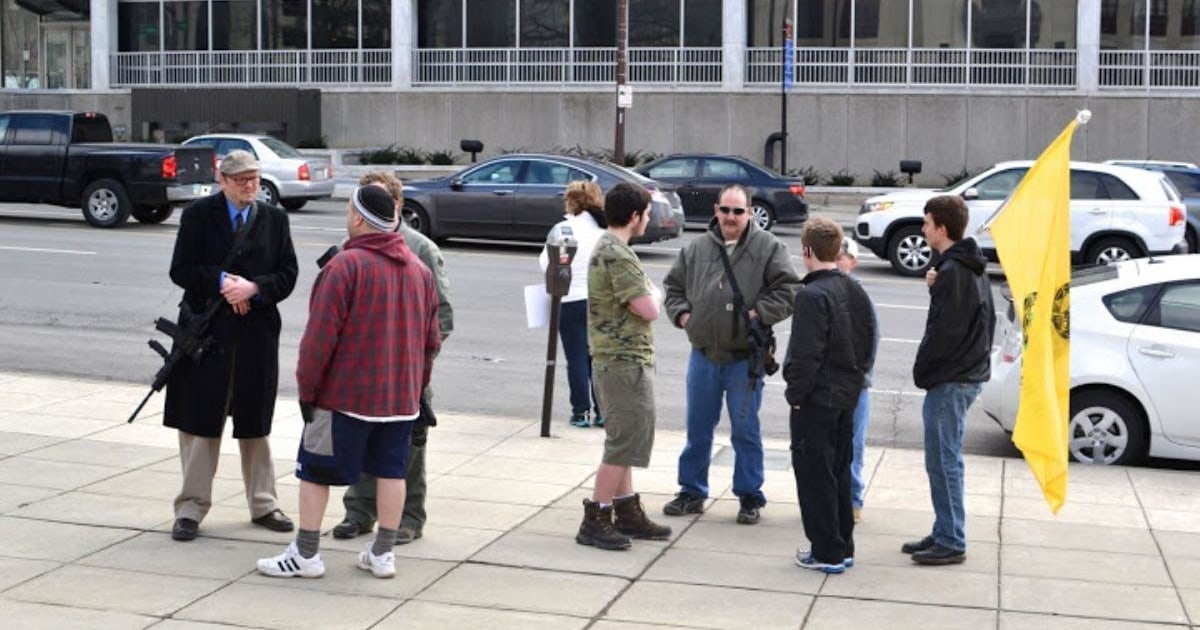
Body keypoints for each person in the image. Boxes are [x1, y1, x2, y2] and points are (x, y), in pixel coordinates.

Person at [256, 184, 440, 579]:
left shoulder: (344, 267)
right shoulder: (419, 272)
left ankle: (306, 554)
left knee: (315, 472)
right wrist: (417, 389)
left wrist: (308, 391)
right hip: (400, 399)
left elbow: (319, 340)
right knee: (393, 473)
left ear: (357, 218)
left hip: (344, 398)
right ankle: (383, 554)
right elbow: (431, 341)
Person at [164, 149, 299, 542]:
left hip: (255, 334)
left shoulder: (274, 218)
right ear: (221, 180)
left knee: (255, 422)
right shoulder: (198, 216)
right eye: (240, 179)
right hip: (206, 337)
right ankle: (190, 508)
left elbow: (288, 274)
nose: (249, 185)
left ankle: (264, 503)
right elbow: (181, 270)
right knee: (200, 424)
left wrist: (254, 288)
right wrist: (224, 282)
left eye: (254, 177)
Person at [661, 184, 800, 525]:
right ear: (716, 209)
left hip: (744, 359)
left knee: (745, 431)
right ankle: (691, 491)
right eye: (725, 210)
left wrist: (759, 314)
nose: (731, 217)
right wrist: (683, 316)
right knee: (698, 428)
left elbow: (790, 289)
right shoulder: (697, 248)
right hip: (704, 354)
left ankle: (749, 495)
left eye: (738, 211)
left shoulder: (768, 247)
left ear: (750, 212)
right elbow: (673, 287)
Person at [331, 171, 454, 545]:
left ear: (397, 205)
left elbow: (442, 316)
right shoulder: (349, 246)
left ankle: (408, 517)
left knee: (407, 452)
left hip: (406, 372)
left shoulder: (421, 250)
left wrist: (417, 360)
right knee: (358, 442)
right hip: (362, 371)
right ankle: (358, 512)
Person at [576, 182, 672, 551]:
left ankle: (626, 510)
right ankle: (596, 518)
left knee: (626, 439)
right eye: (647, 214)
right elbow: (648, 308)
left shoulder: (612, 248)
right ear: (634, 217)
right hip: (622, 361)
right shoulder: (617, 253)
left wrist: (648, 293)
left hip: (619, 360)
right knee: (622, 442)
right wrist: (656, 293)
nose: (647, 220)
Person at [903, 195, 995, 566]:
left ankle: (951, 539)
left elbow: (944, 333)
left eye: (926, 224)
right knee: (943, 459)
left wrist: (923, 371)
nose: (923, 230)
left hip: (952, 380)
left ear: (941, 228)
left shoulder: (955, 273)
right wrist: (934, 283)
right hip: (963, 376)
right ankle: (945, 529)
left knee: (943, 461)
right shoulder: (962, 267)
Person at [783, 217, 877, 575]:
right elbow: (867, 343)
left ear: (806, 251)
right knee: (838, 472)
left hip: (817, 400)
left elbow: (807, 353)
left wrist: (795, 393)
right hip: (845, 398)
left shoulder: (811, 295)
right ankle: (842, 545)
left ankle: (826, 551)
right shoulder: (854, 290)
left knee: (815, 476)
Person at [538, 180, 606, 428]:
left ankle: (580, 411)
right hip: (598, 301)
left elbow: (547, 264)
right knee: (598, 358)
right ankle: (602, 411)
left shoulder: (562, 229)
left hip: (568, 299)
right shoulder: (603, 233)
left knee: (575, 357)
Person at [836, 237, 879, 523]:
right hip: (828, 386)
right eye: (834, 254)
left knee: (853, 447)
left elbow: (871, 342)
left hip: (855, 387)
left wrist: (858, 378)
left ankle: (852, 500)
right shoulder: (820, 292)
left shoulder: (860, 298)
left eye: (843, 255)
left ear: (853, 262)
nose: (838, 259)